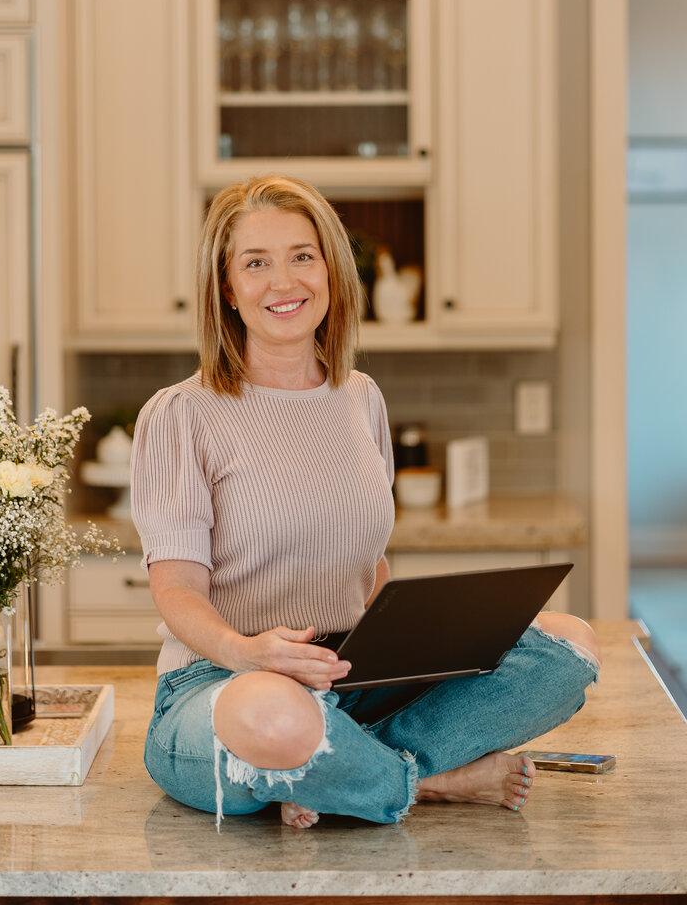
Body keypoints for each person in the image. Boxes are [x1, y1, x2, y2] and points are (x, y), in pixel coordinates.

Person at [130, 174, 601, 830]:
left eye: (302, 255)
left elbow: (367, 564)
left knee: (567, 648)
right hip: (220, 688)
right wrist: (247, 652)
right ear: (227, 288)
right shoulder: (183, 414)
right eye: (256, 263)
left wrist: (419, 641)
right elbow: (176, 588)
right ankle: (427, 782)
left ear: (330, 270)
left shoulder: (360, 398)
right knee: (274, 713)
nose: (284, 281)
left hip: (349, 676)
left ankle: (331, 772)